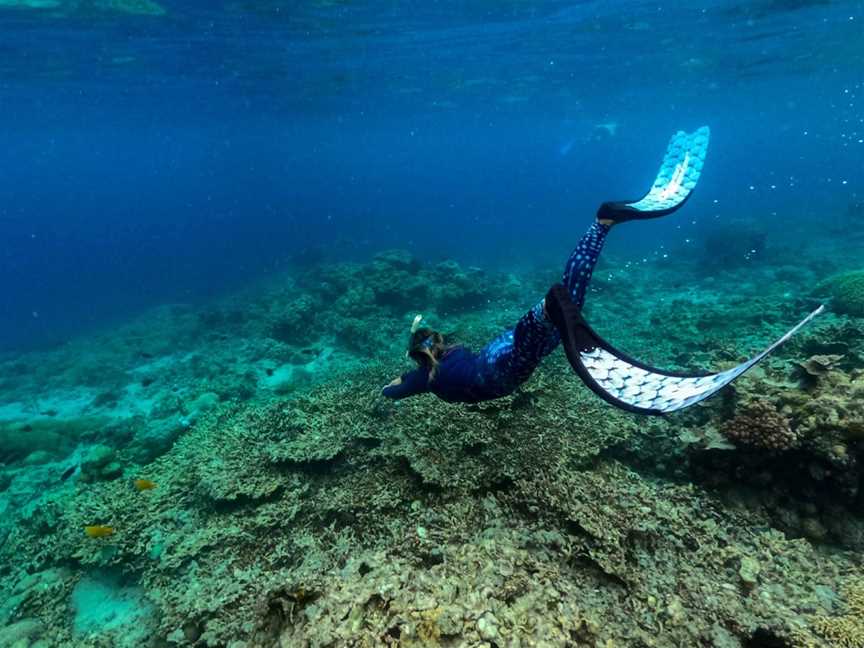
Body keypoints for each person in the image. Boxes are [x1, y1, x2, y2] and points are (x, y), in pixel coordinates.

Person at [382, 127, 823, 414]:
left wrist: (399, 378)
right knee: (555, 316)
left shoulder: (426, 377)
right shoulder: (447, 358)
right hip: (496, 355)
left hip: (499, 372)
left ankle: (547, 305)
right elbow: (407, 376)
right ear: (436, 344)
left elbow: (391, 391)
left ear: (420, 355)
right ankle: (602, 224)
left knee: (540, 329)